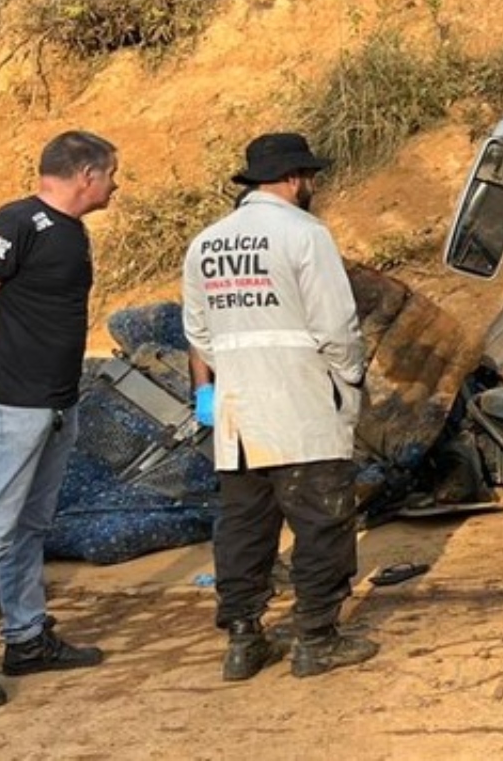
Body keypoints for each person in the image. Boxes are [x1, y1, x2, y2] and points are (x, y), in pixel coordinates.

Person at [181, 132, 375, 681]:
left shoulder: (206, 243)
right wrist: (349, 379)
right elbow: (336, 324)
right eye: (309, 178)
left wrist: (223, 381)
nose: (311, 187)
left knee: (244, 527)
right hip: (302, 401)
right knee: (322, 520)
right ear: (294, 179)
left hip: (237, 414)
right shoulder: (304, 234)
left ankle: (244, 641)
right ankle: (316, 638)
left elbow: (197, 330)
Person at [0, 130, 119, 709]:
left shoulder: (70, 231)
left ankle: (27, 638)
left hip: (57, 405)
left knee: (29, 527)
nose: (116, 185)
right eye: (111, 173)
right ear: (85, 174)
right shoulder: (15, 224)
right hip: (10, 404)